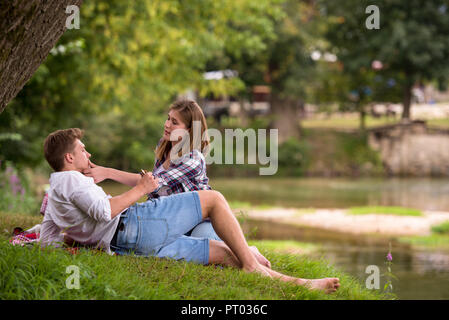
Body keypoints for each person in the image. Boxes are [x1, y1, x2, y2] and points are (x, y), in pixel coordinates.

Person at [40, 128, 340, 294]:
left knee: (222, 253)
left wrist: (74, 242)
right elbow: (105, 211)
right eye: (82, 150)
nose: (88, 153)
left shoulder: (55, 189)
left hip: (128, 243)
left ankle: (302, 285)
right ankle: (252, 261)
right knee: (213, 199)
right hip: (133, 226)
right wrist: (141, 189)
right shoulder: (74, 181)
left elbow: (49, 237)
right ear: (69, 156)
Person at [83, 100, 219, 241]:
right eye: (168, 118)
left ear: (189, 130)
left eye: (174, 122)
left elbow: (152, 184)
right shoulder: (164, 146)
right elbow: (148, 183)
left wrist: (108, 173)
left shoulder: (194, 158)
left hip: (198, 222)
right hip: (173, 220)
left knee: (205, 242)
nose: (167, 124)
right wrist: (107, 173)